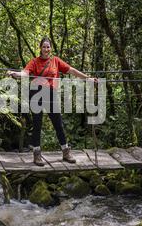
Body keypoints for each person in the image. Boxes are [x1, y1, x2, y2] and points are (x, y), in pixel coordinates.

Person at [7, 37, 97, 166]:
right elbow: (25, 72)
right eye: (44, 47)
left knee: (58, 123)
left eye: (48, 47)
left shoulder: (55, 61)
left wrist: (87, 78)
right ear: (40, 48)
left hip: (51, 94)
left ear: (50, 48)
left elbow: (71, 70)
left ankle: (66, 151)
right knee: (37, 123)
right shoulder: (34, 62)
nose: (46, 49)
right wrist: (16, 74)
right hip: (36, 92)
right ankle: (37, 154)